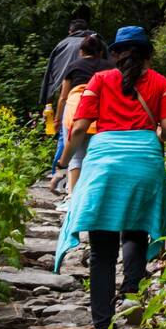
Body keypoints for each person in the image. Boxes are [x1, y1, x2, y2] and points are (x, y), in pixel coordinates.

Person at [54, 25, 166, 329]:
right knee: (136, 232)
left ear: (116, 53)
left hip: (105, 164)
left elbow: (80, 127)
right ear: (147, 53)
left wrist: (65, 162)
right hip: (144, 165)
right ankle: (132, 291)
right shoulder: (161, 83)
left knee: (102, 253)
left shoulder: (99, 81)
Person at [55, 33, 112, 207]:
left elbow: (63, 97)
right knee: (98, 155)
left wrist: (57, 118)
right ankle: (94, 195)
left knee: (76, 155)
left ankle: (72, 195)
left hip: (75, 109)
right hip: (102, 109)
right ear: (101, 52)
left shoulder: (74, 66)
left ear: (81, 51)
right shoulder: (110, 66)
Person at [40, 16, 96, 188]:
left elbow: (51, 77)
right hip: (96, 98)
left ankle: (58, 178)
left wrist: (48, 103)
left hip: (71, 98)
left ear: (70, 31)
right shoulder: (95, 42)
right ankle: (82, 183)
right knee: (89, 144)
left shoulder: (63, 45)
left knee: (66, 139)